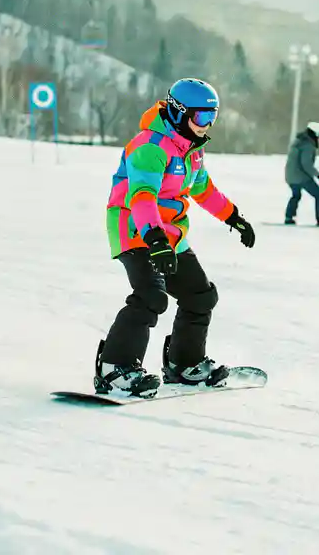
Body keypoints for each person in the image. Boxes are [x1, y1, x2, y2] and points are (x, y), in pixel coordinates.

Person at [95, 78, 256, 399]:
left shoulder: (191, 149)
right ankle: (115, 369)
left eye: (212, 117)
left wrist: (233, 217)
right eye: (202, 117)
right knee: (151, 297)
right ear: (180, 112)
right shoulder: (149, 147)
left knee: (200, 296)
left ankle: (185, 364)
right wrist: (155, 241)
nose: (207, 125)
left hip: (169, 232)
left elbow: (203, 189)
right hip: (136, 229)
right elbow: (142, 196)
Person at [284, 120, 319, 226]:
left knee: (296, 195)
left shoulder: (298, 141)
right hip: (301, 177)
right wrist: (318, 175)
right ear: (316, 135)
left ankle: (289, 217)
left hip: (290, 176)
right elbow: (306, 164)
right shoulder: (308, 145)